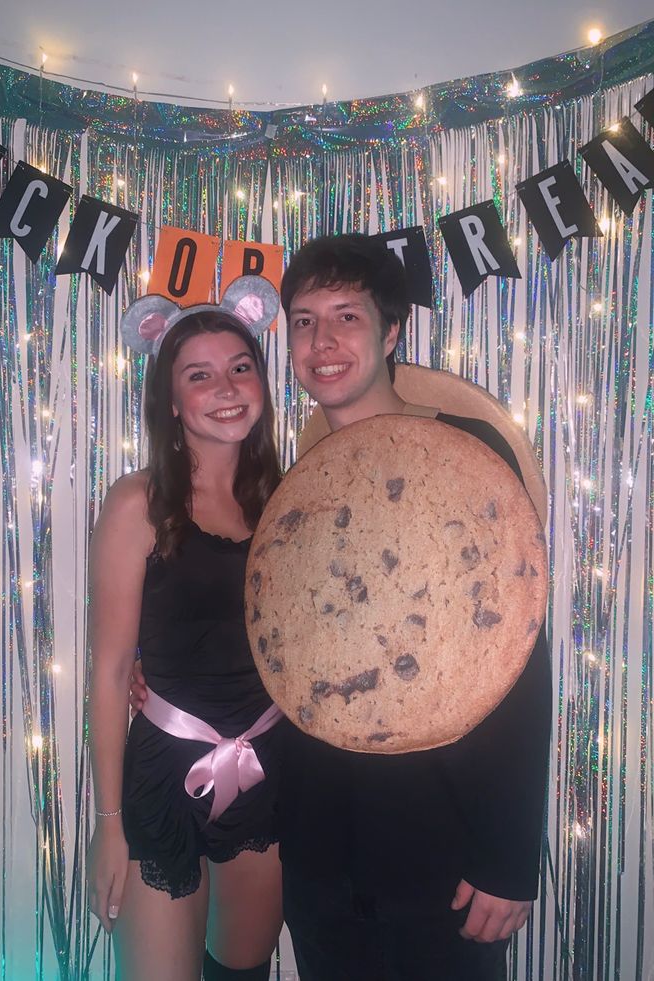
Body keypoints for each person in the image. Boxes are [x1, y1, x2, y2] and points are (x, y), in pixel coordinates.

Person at [132, 235, 553, 980]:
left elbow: (518, 654)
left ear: (391, 331)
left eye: (346, 317)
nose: (322, 342)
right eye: (302, 321)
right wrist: (161, 667)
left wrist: (509, 852)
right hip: (318, 838)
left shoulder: (463, 448)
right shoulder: (296, 481)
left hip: (445, 847)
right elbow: (279, 638)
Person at [87, 295, 285, 981]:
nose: (225, 388)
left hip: (268, 769)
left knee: (243, 970)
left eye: (239, 367)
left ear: (262, 380)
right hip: (163, 776)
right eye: (198, 375)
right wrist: (108, 823)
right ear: (170, 400)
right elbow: (112, 671)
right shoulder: (136, 503)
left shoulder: (290, 499)